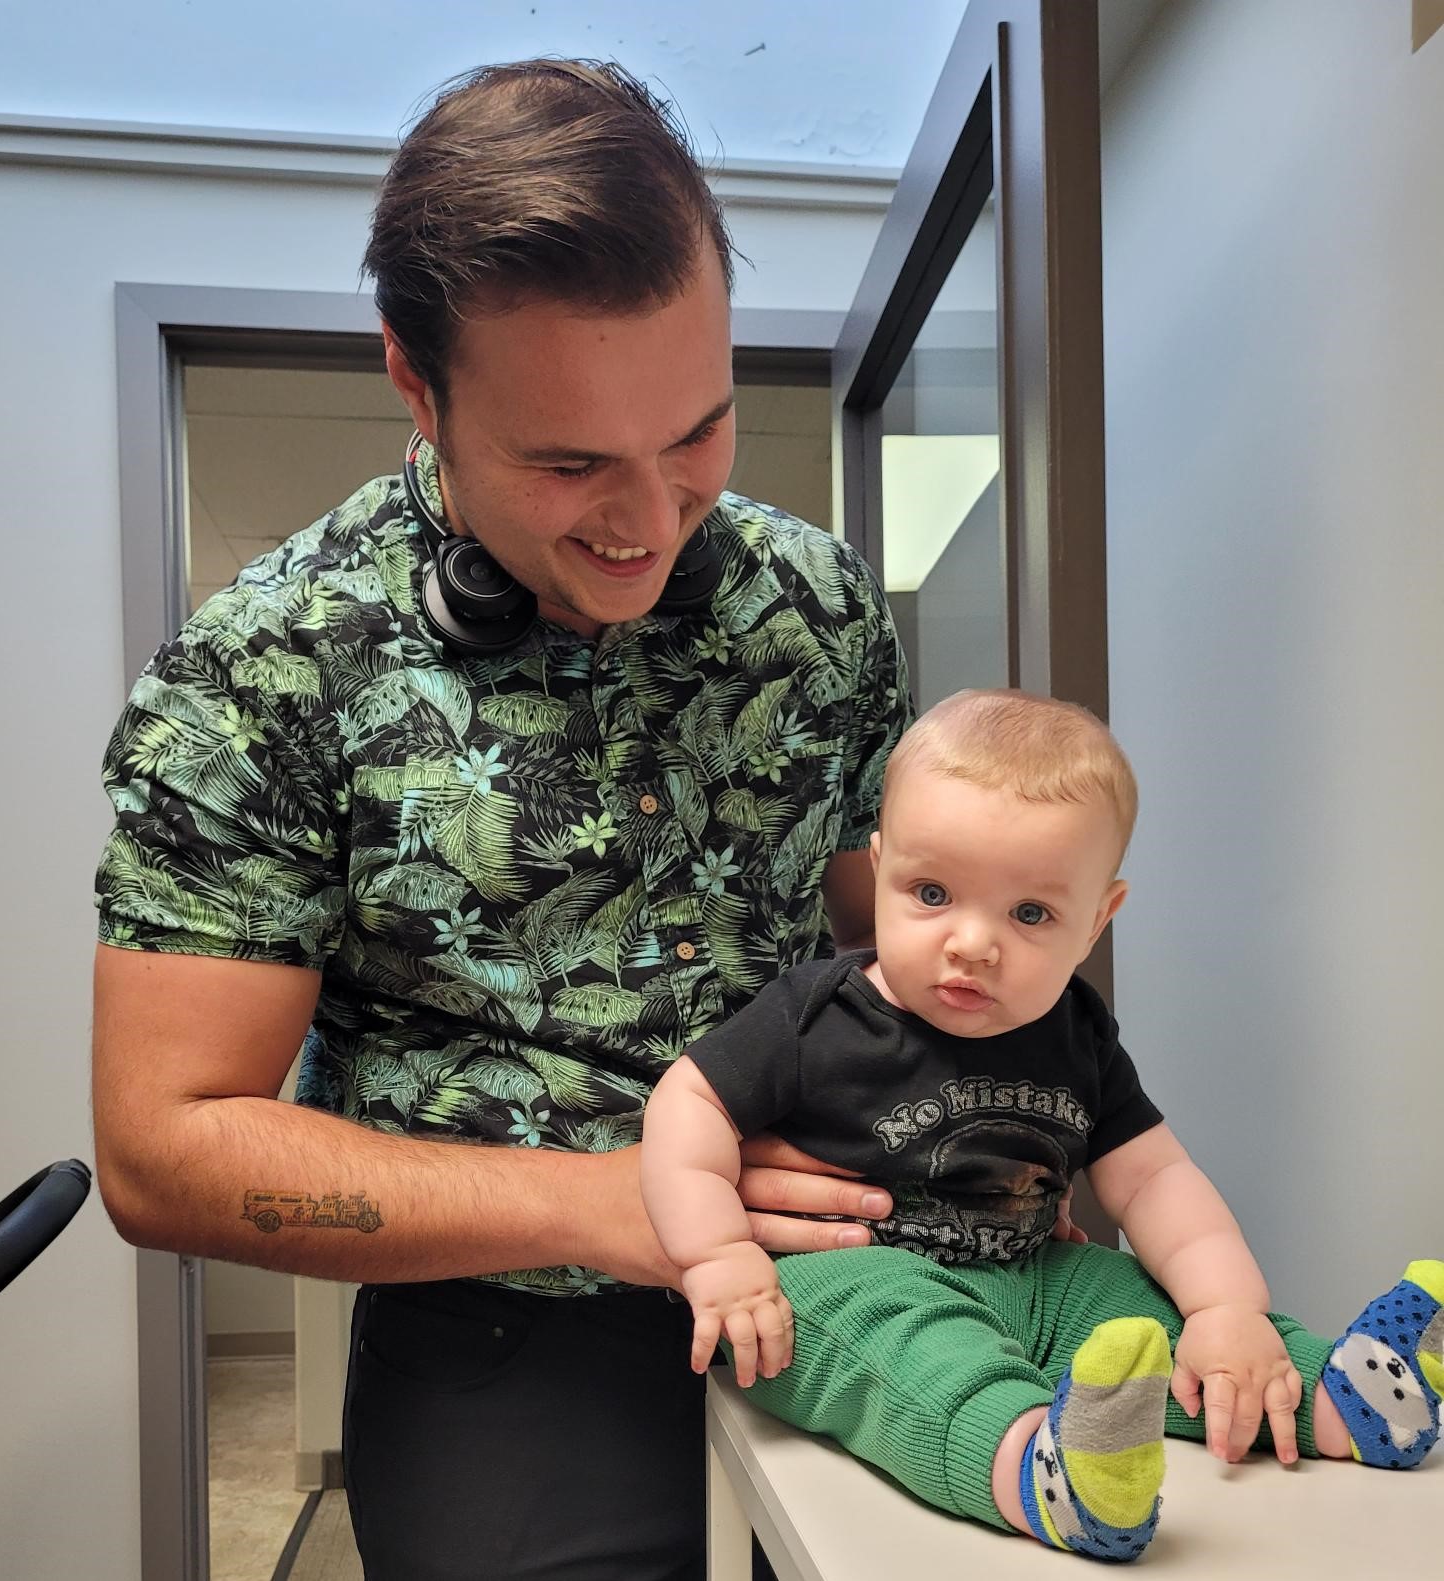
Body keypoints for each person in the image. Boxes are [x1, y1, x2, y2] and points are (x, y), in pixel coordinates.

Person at [91, 58, 925, 1581]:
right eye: (569, 462)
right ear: (416, 381)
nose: (650, 520)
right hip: (502, 1353)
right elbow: (162, 1150)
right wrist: (614, 1205)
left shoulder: (819, 607)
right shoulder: (260, 671)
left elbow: (902, 953)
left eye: (697, 435)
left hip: (844, 1286)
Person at [641, 688, 1443, 1563]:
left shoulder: (1078, 1029)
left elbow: (1154, 1178)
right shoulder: (815, 1014)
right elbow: (688, 1103)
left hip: (1039, 1273)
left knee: (1143, 1310)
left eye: (1030, 914)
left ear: (1098, 918)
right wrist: (718, 1255)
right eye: (933, 892)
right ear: (879, 872)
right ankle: (1043, 1471)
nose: (972, 942)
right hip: (856, 1278)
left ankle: (1344, 1396)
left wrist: (1226, 1304)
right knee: (918, 1358)